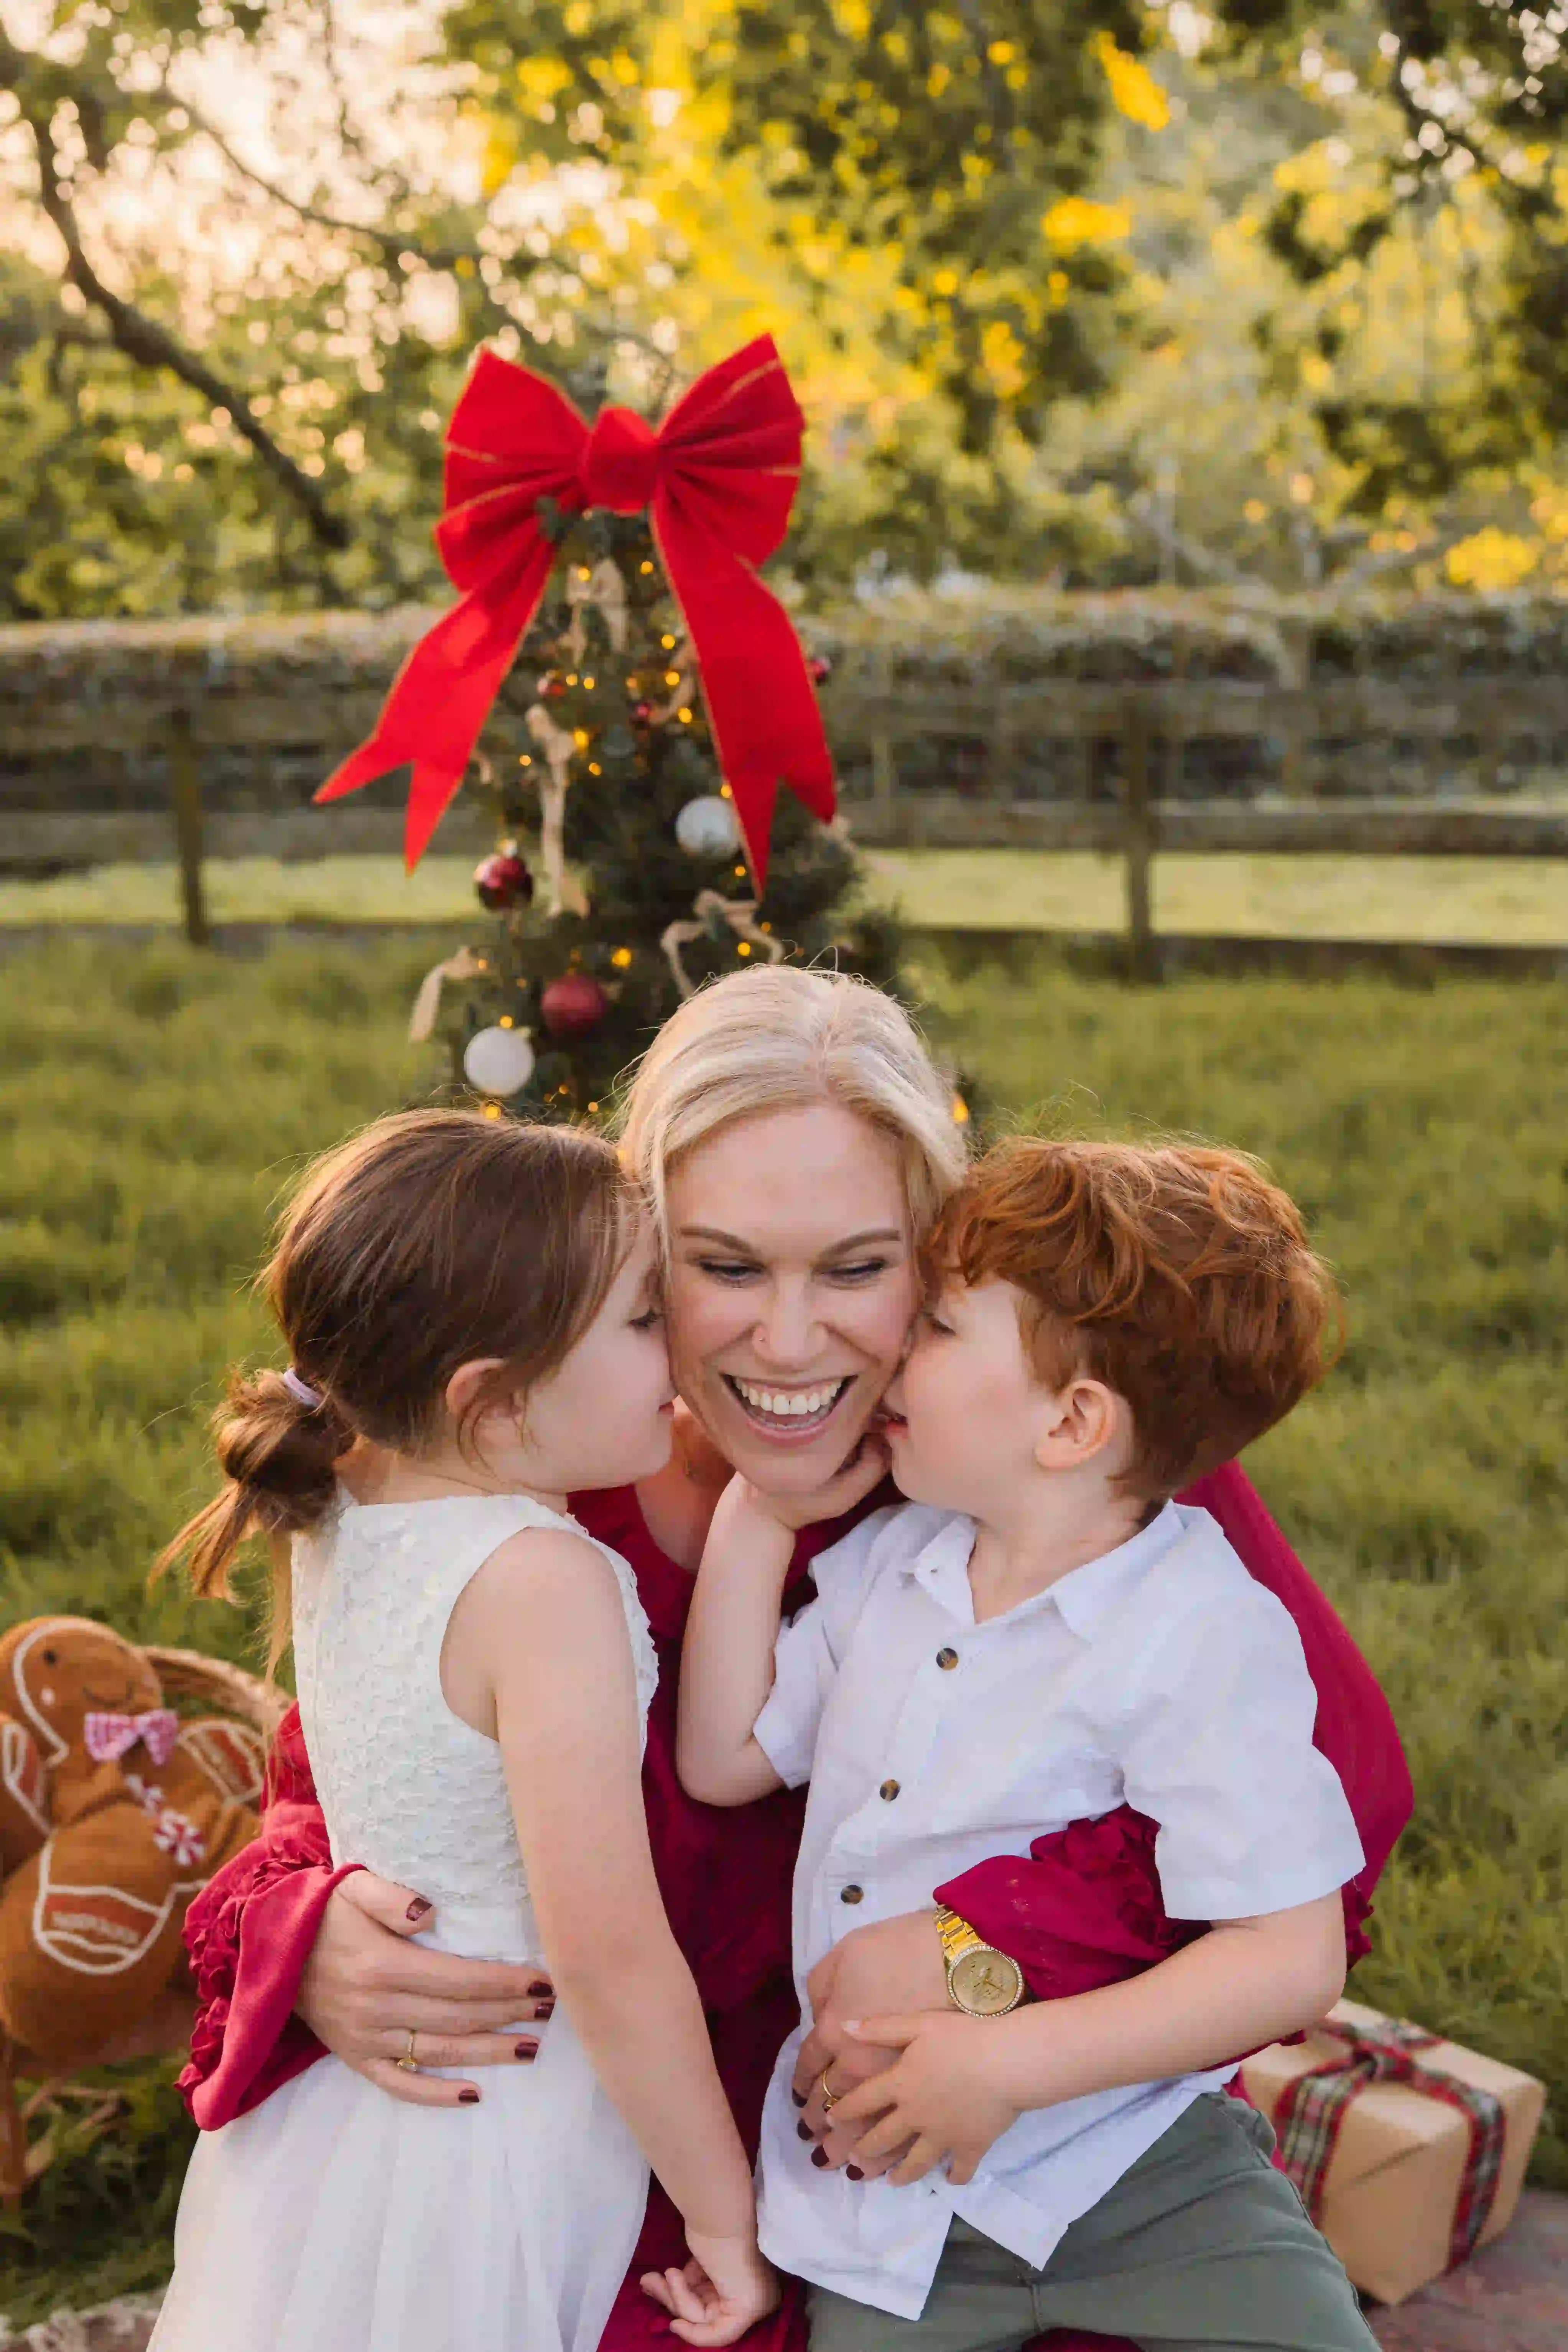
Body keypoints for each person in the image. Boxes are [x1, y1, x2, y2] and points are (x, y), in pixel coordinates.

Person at [178, 968, 1413, 2352]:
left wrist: (976, 1950)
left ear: (943, 1259)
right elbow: (351, 1769)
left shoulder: (1056, 1478)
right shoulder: (535, 1472)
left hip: (973, 2143)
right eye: (721, 1268)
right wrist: (312, 1930)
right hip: (636, 2152)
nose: (786, 1339)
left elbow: (1337, 1820)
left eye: (859, 1268)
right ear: (636, 1258)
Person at [678, 1135, 1379, 2352]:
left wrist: (1010, 2067)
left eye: (942, 1327)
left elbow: (1291, 1956)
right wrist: (758, 1514)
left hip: (1139, 2170)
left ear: (1071, 1422)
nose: (899, 1344)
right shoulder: (888, 1567)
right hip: (884, 2206)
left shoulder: (1200, 1629)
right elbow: (725, 1758)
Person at [149, 1110, 778, 2352]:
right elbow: (608, 1953)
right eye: (644, 1319)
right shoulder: (544, 1580)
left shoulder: (342, 1496)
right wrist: (724, 2219)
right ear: (490, 1405)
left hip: (342, 2119)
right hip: (503, 2102)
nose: (681, 1346)